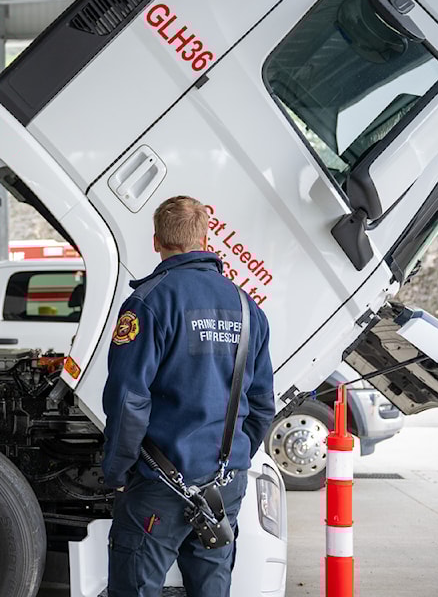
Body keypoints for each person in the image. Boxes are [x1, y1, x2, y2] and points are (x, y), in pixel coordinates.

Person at [102, 195, 275, 597]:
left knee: (134, 587)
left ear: (156, 240)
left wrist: (117, 470)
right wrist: (233, 461)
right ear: (205, 238)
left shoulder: (148, 303)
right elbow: (262, 404)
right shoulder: (248, 308)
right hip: (223, 486)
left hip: (157, 483)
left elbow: (129, 399)